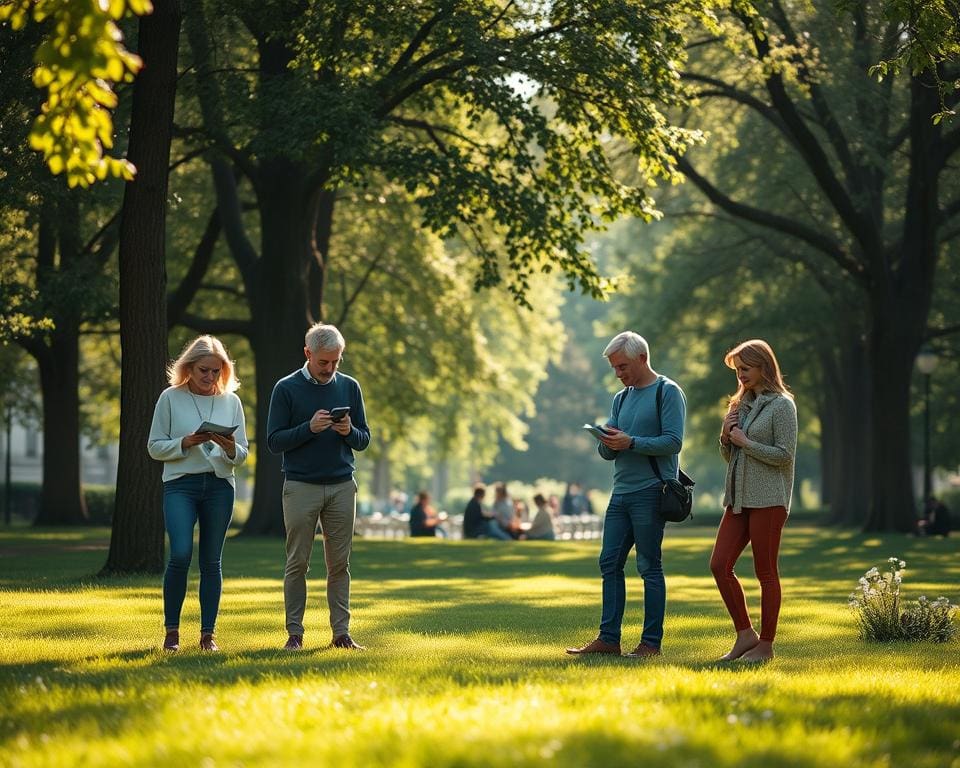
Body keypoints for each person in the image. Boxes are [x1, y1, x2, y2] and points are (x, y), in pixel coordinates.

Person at [566, 331, 685, 658]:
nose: (618, 374)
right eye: (615, 368)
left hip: (651, 491)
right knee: (609, 562)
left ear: (642, 358)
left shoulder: (667, 392)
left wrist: (631, 442)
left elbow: (673, 442)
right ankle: (608, 639)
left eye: (623, 366)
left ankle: (650, 644)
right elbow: (610, 451)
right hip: (621, 493)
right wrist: (607, 441)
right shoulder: (621, 398)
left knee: (648, 566)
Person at [267, 323, 371, 651]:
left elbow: (363, 439)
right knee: (297, 562)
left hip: (342, 485)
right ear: (307, 353)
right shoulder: (286, 388)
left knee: (339, 564)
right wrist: (308, 428)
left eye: (336, 362)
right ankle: (294, 634)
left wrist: (347, 431)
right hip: (300, 486)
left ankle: (341, 634)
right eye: (324, 362)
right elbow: (273, 441)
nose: (330, 369)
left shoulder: (350, 387)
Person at [147, 335, 249, 652]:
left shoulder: (231, 402)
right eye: (204, 370)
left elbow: (243, 453)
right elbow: (153, 447)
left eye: (216, 371)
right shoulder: (169, 398)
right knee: (179, 554)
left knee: (211, 562)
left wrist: (230, 447)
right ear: (189, 368)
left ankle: (208, 635)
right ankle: (172, 633)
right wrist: (186, 442)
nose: (209, 377)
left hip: (220, 486)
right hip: (181, 485)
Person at [711, 339, 798, 663]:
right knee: (719, 565)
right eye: (737, 371)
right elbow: (730, 455)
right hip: (738, 499)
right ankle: (746, 635)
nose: (741, 376)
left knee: (766, 572)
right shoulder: (741, 405)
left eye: (745, 369)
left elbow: (784, 456)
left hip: (769, 500)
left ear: (764, 366)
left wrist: (745, 442)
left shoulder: (782, 406)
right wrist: (725, 436)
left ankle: (766, 645)